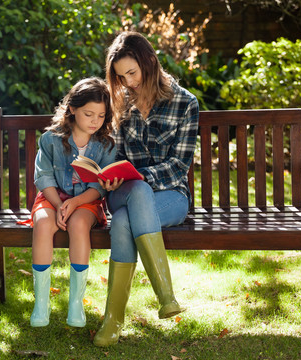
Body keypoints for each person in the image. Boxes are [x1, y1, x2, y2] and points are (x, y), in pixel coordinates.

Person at [93, 31, 199, 346]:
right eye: (120, 76)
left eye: (132, 73)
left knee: (125, 219)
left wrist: (140, 177)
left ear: (149, 62)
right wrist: (109, 173)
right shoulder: (121, 101)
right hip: (123, 190)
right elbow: (114, 154)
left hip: (172, 196)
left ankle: (111, 321)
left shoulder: (184, 103)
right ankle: (165, 297)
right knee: (137, 192)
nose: (127, 82)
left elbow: (179, 166)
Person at [24, 77, 116, 328]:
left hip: (86, 202)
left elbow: (99, 187)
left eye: (101, 115)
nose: (95, 121)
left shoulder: (105, 144)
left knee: (78, 225)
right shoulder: (51, 139)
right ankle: (41, 303)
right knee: (42, 224)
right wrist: (58, 205)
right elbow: (43, 176)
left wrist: (75, 203)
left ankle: (76, 303)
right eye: (88, 114)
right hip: (52, 198)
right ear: (72, 109)